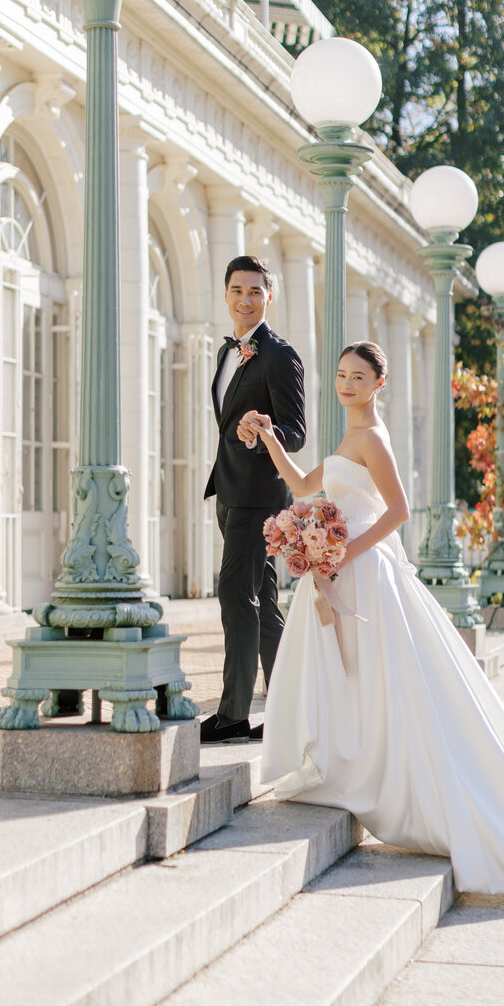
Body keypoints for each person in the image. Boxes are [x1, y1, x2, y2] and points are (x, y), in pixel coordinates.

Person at [238, 341, 504, 951]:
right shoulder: (346, 439)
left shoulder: (372, 437)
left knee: (383, 680)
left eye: (359, 377)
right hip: (338, 570)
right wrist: (269, 436)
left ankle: (375, 773)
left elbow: (399, 511)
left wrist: (343, 550)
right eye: (342, 375)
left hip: (367, 574)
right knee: (349, 677)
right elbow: (300, 483)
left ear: (380, 383)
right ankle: (347, 762)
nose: (347, 384)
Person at [201, 255, 306, 744]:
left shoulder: (279, 356)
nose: (246, 300)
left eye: (255, 291)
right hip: (229, 491)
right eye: (237, 290)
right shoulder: (227, 354)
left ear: (270, 296)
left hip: (260, 495)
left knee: (235, 596)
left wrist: (265, 429)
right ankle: (291, 708)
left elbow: (296, 432)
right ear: (226, 294)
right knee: (261, 599)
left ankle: (233, 715)